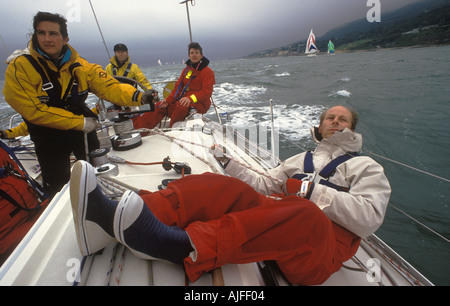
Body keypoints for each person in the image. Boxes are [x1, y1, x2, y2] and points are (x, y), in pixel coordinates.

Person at [69, 105, 391, 285]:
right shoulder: (296, 161)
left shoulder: (366, 167)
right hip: (278, 223)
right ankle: (112, 222)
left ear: (352, 128)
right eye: (329, 118)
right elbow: (264, 186)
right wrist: (228, 163)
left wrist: (310, 191)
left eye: (342, 119)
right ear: (319, 127)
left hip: (319, 252)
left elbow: (369, 218)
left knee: (305, 214)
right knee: (220, 184)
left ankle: (182, 245)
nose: (335, 121)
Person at [3, 12, 156, 198]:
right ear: (34, 35)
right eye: (41, 33)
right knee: (58, 186)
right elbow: (34, 111)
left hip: (82, 125)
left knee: (95, 171)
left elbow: (109, 87)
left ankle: (100, 196)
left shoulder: (81, 66)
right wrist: (80, 123)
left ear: (65, 38)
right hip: (48, 133)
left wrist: (139, 96)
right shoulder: (20, 68)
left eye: (53, 34)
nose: (47, 39)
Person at [132, 42, 215, 129]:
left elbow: (206, 92)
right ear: (189, 56)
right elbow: (177, 89)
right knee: (161, 106)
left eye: (196, 53)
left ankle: (173, 131)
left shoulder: (208, 72)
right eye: (192, 53)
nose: (194, 55)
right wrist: (167, 101)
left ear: (201, 55)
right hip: (184, 100)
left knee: (181, 106)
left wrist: (190, 99)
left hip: (201, 103)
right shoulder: (187, 71)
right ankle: (139, 130)